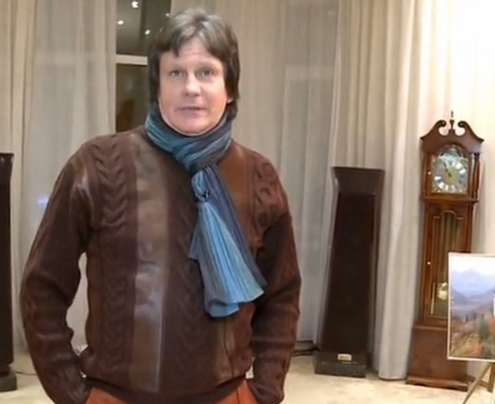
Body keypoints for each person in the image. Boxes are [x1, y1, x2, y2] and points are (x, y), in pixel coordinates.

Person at [20, 7, 301, 404]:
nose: (191, 88)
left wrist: (265, 392)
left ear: (229, 88)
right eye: (176, 73)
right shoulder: (97, 166)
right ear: (157, 86)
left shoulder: (259, 177)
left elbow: (281, 296)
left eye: (206, 72)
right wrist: (73, 394)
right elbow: (42, 289)